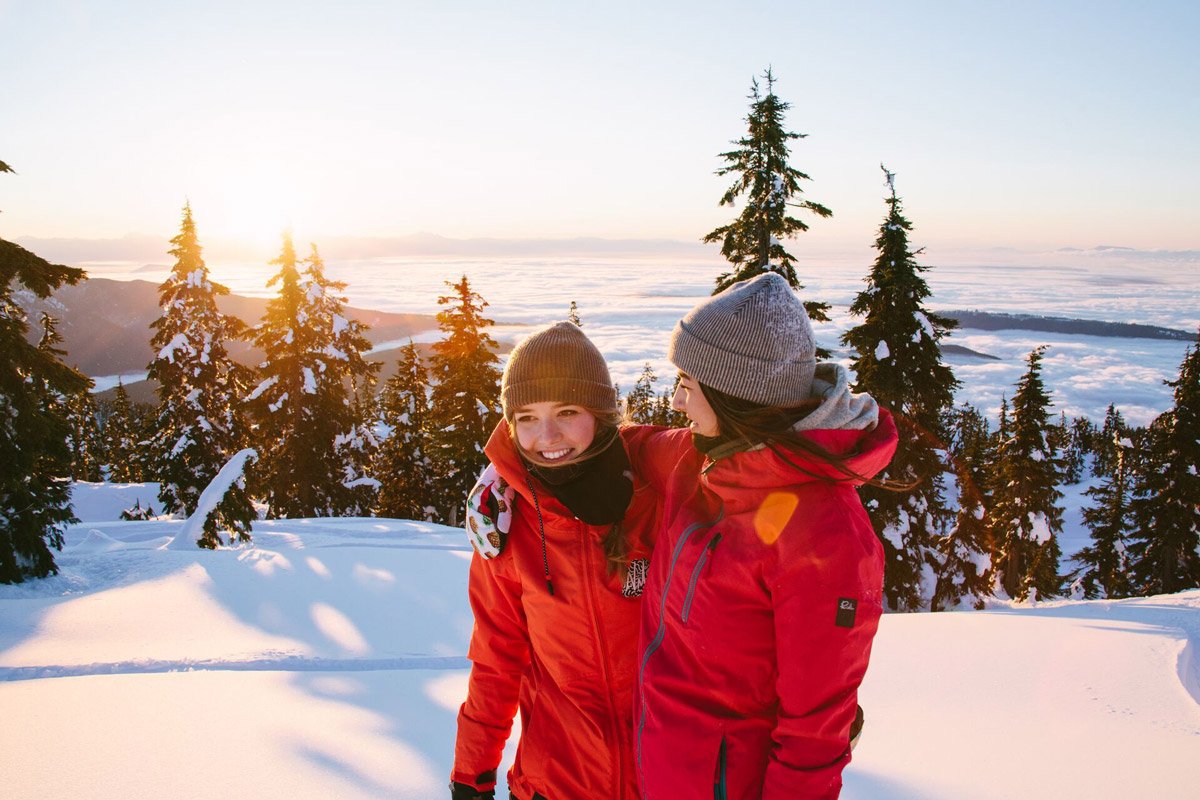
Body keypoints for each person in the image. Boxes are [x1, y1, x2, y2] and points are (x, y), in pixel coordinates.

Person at [623, 272, 897, 799]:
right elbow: (622, 446)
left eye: (687, 385)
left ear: (734, 399)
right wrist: (509, 466)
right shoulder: (699, 458)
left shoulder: (826, 535)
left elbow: (815, 731)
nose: (677, 403)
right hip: (663, 771)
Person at [451, 322, 661, 800]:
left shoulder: (659, 493)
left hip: (669, 775)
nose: (547, 436)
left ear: (602, 413)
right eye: (526, 417)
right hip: (556, 783)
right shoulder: (506, 525)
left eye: (567, 411)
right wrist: (472, 774)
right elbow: (496, 660)